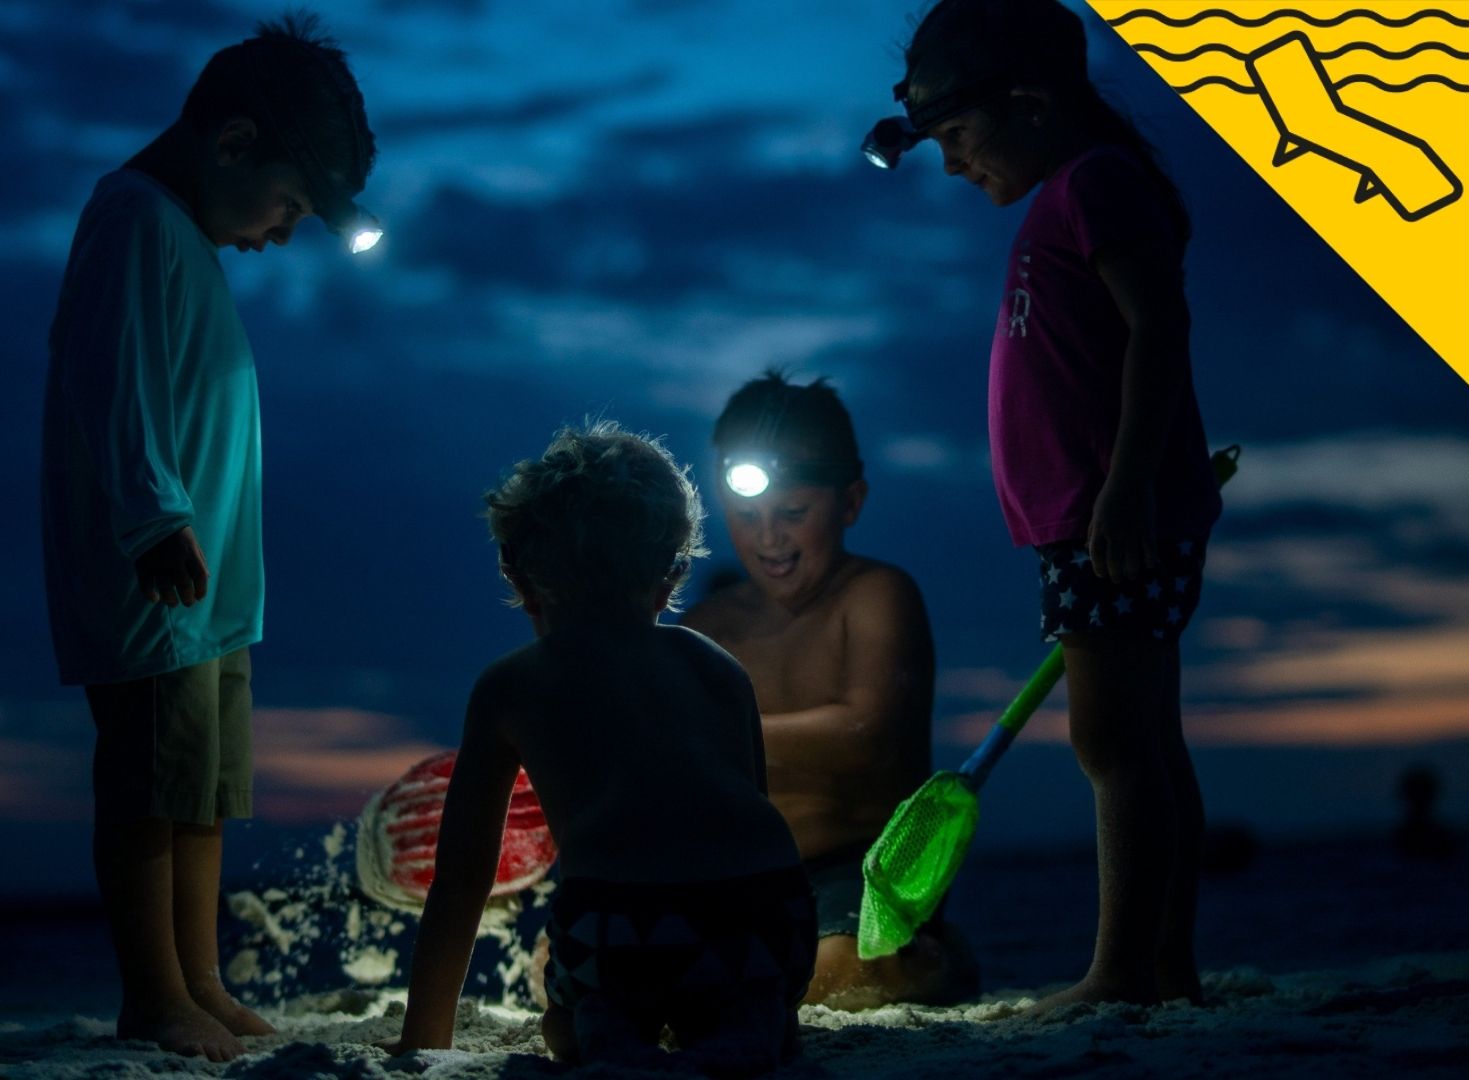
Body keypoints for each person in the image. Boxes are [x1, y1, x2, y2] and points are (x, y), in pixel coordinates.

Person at [39, 12, 378, 1060]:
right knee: (149, 783)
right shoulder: (135, 218)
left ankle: (200, 978)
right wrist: (153, 520)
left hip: (212, 588)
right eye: (287, 205)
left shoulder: (184, 236)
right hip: (159, 576)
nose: (282, 234)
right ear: (233, 144)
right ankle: (154, 994)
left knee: (201, 789)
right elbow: (119, 383)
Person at [876, 0, 1223, 1009]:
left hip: (1112, 519)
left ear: (1030, 103)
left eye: (959, 136)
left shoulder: (1097, 184)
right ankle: (1165, 965)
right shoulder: (1068, 196)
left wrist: (1123, 485)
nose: (951, 164)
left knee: (1113, 742)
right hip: (1095, 520)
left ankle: (1122, 974)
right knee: (1146, 739)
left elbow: (1161, 327)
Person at [391, 424, 815, 1073]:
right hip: (768, 916)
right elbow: (753, 813)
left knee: (564, 1023)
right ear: (672, 575)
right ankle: (753, 1023)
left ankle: (610, 1035)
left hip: (627, 925)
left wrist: (422, 1040)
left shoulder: (512, 685)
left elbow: (462, 877)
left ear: (517, 572)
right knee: (736, 989)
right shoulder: (717, 667)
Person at [682, 372, 978, 1009]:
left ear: (850, 502)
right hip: (734, 877)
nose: (770, 538)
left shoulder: (875, 596)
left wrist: (701, 735)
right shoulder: (704, 628)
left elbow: (865, 734)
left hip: (857, 870)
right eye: (747, 516)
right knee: (599, 965)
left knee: (839, 976)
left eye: (793, 513)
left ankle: (931, 956)